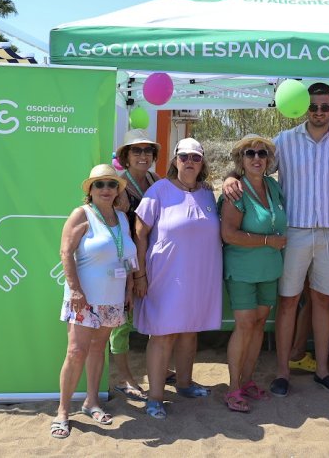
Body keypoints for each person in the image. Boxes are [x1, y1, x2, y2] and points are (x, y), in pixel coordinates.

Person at [224, 81, 329, 397]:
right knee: (288, 301)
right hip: (293, 234)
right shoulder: (284, 141)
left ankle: (323, 370)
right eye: (313, 107)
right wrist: (230, 177)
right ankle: (283, 372)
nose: (318, 112)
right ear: (304, 108)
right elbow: (254, 166)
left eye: (324, 107)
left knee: (323, 301)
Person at [133, 138, 222, 420]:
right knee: (163, 334)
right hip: (164, 275)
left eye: (196, 157)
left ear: (202, 162)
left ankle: (184, 384)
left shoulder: (208, 193)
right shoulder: (159, 190)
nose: (190, 162)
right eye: (184, 157)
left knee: (189, 331)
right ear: (175, 160)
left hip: (199, 277)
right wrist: (140, 274)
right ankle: (155, 397)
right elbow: (139, 233)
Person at [51, 164, 137, 439]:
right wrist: (75, 290)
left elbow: (127, 256)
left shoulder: (122, 218)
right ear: (90, 189)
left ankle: (91, 402)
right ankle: (63, 412)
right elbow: (65, 252)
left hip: (112, 298)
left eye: (111, 184)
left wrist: (129, 286)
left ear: (118, 190)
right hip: (84, 299)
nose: (106, 189)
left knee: (99, 349)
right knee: (76, 352)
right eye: (99, 184)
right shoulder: (82, 214)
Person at [219, 134, 287, 412]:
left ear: (269, 160)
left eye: (262, 153)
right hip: (243, 270)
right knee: (245, 325)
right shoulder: (236, 190)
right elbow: (228, 234)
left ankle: (247, 382)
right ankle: (233, 388)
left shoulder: (273, 186)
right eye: (250, 153)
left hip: (269, 268)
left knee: (259, 324)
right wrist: (268, 241)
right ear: (241, 160)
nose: (257, 158)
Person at [110, 129, 161, 402]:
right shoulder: (118, 187)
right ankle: (124, 378)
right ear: (126, 156)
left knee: (154, 315)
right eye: (137, 150)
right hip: (124, 261)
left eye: (148, 150)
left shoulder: (156, 180)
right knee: (121, 321)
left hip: (151, 259)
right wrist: (133, 274)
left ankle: (158, 369)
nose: (143, 155)